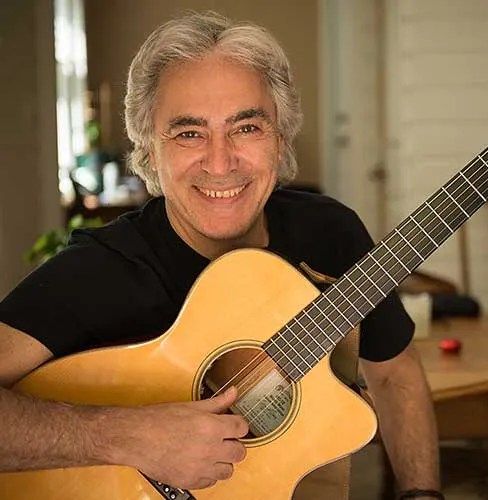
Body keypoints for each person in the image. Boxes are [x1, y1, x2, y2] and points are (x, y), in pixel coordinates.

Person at [0, 11, 441, 500]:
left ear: (281, 136)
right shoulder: (98, 272)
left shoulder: (330, 234)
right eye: (189, 133)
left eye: (246, 127)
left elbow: (393, 372)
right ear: (149, 150)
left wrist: (424, 495)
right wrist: (128, 436)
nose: (220, 161)